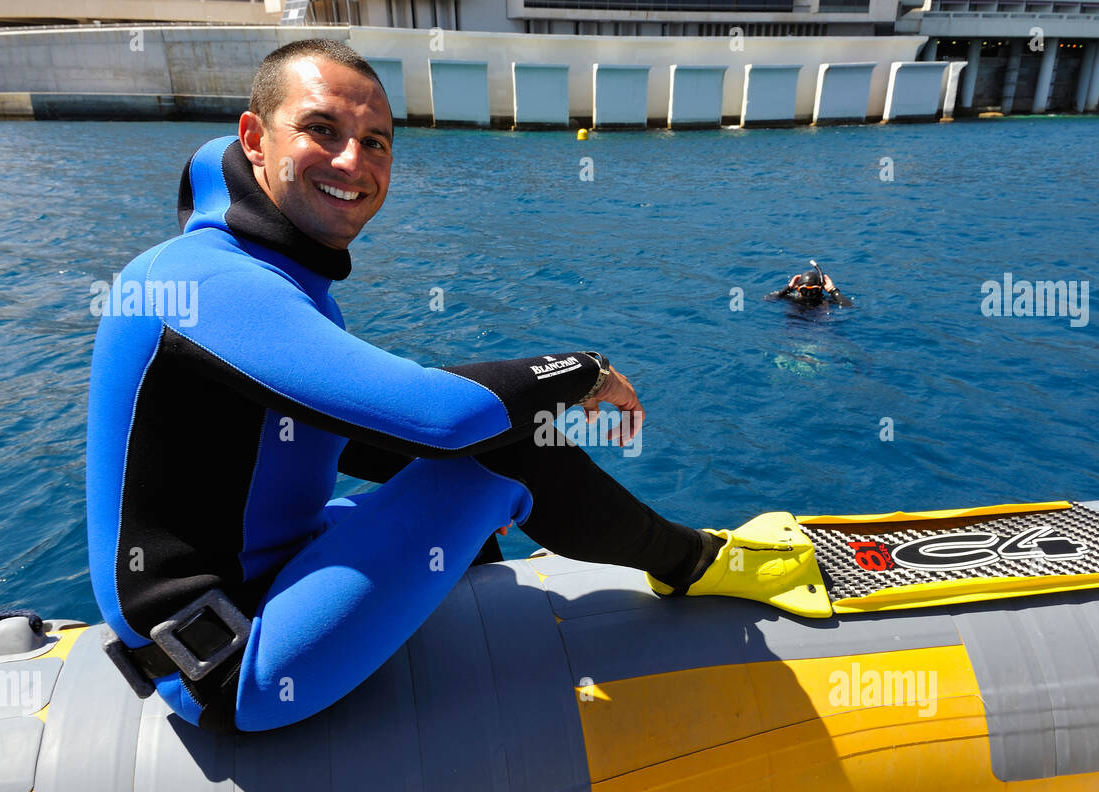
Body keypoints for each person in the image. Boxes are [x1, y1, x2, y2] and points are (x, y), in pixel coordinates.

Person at [86, 39, 822, 734]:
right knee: (495, 458)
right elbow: (437, 417)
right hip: (231, 660)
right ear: (254, 139)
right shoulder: (201, 281)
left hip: (275, 568)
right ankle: (698, 564)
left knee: (494, 453)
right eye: (322, 129)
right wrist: (586, 369)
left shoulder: (264, 273)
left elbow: (345, 437)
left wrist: (534, 455)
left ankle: (507, 628)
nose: (354, 159)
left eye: (375, 141)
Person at [778, 267, 846, 307]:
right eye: (804, 290)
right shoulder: (792, 298)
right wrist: (789, 287)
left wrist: (832, 290)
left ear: (820, 290)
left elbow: (848, 306)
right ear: (798, 289)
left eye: (813, 291)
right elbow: (769, 298)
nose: (808, 295)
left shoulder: (825, 302)